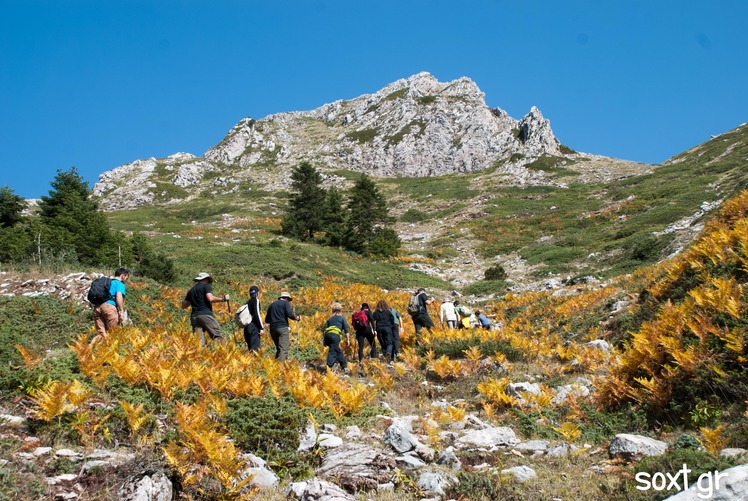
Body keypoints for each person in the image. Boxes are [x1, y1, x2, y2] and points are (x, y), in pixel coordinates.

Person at [181, 272, 229, 347]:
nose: (209, 282)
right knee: (217, 335)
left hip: (194, 317)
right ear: (206, 279)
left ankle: (200, 356)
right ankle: (220, 355)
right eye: (209, 281)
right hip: (205, 314)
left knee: (199, 341)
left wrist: (193, 298)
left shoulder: (191, 290)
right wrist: (223, 299)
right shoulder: (206, 286)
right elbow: (210, 298)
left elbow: (184, 305)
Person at [92, 268, 130, 345]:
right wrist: (121, 311)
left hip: (97, 308)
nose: (125, 280)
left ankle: (89, 352)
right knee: (113, 333)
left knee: (101, 334)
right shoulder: (119, 284)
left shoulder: (107, 283)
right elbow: (118, 296)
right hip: (109, 308)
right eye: (126, 277)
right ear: (122, 276)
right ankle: (112, 353)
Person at [265, 291, 300, 362]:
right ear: (286, 298)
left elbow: (267, 320)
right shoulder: (285, 303)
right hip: (282, 328)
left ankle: (275, 367)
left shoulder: (272, 305)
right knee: (284, 349)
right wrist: (297, 318)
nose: (289, 301)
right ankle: (281, 369)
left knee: (279, 349)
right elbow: (289, 314)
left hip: (273, 329)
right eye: (289, 300)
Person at [322, 302, 350, 372]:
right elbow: (346, 330)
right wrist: (348, 340)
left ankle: (344, 366)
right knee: (333, 351)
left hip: (328, 336)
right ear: (340, 310)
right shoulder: (342, 318)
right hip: (335, 336)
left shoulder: (329, 319)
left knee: (336, 350)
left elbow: (324, 329)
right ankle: (329, 367)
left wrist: (324, 340)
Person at [243, 285, 265, 352]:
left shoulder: (247, 303)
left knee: (250, 349)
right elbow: (257, 314)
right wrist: (261, 328)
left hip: (246, 328)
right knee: (255, 350)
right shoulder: (256, 301)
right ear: (257, 293)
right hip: (253, 327)